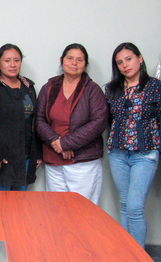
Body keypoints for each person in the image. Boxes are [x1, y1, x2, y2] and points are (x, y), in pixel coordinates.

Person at [104, 42, 161, 248]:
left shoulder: (156, 87)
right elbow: (111, 120)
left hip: (145, 153)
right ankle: (127, 254)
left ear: (140, 58)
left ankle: (139, 259)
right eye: (119, 62)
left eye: (128, 59)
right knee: (124, 204)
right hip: (117, 152)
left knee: (135, 206)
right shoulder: (111, 89)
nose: (124, 66)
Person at [36, 43, 108, 204]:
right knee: (56, 211)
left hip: (83, 162)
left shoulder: (93, 90)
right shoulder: (49, 87)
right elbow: (39, 119)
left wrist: (67, 143)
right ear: (62, 60)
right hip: (54, 159)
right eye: (70, 58)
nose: (74, 63)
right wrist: (57, 142)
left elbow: (98, 123)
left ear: (85, 65)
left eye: (79, 60)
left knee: (83, 211)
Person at [0, 44, 41, 190]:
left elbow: (34, 122)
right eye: (7, 60)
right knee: (0, 208)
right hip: (1, 160)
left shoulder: (28, 87)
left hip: (24, 158)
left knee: (20, 208)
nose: (12, 64)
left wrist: (37, 153)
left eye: (16, 60)